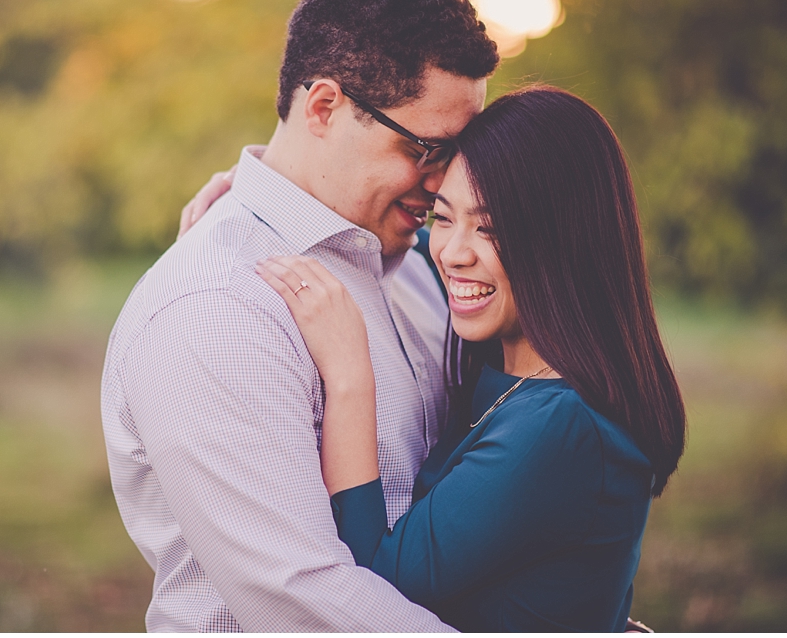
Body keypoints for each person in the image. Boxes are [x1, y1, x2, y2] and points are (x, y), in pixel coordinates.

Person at [101, 0, 498, 631]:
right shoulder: (215, 309)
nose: (443, 184)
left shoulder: (421, 267)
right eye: (424, 150)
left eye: (459, 155)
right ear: (323, 107)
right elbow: (303, 601)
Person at [255, 85, 687, 631]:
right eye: (443, 216)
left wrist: (348, 377)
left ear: (564, 239)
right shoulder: (507, 376)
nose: (453, 253)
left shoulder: (558, 426)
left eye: (490, 227)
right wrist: (242, 200)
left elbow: (373, 590)